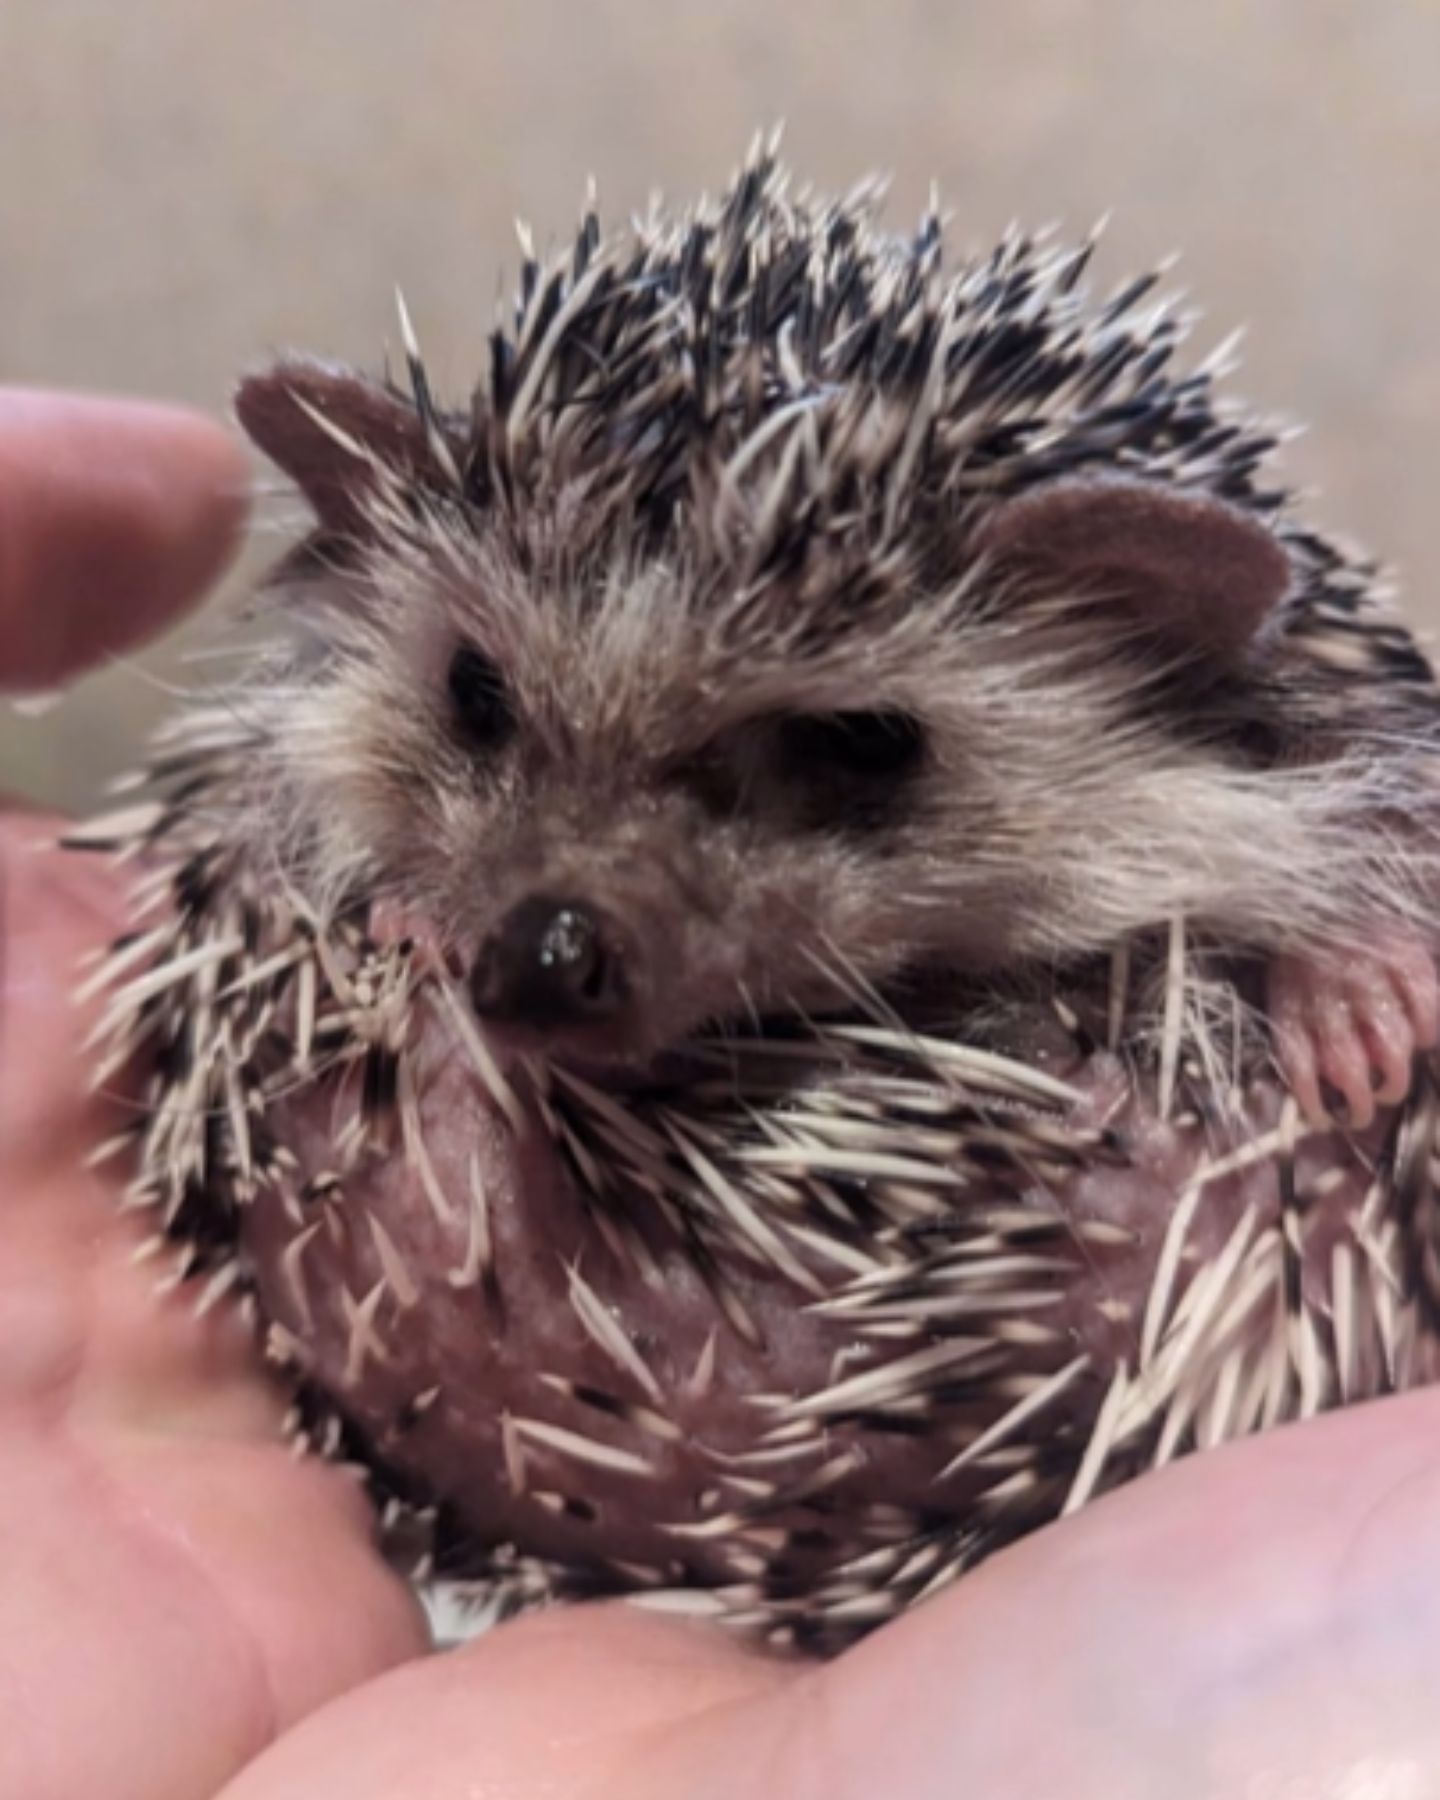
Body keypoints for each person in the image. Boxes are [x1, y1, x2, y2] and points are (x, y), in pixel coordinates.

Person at [5, 387, 1440, 1800]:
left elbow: (1350, 812)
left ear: (1143, 624)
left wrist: (1355, 947)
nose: (559, 927)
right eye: (488, 709)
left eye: (847, 751)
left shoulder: (1300, 778)